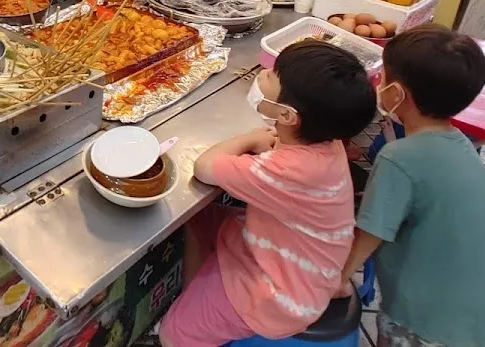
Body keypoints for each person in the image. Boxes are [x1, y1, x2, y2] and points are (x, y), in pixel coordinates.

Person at [159, 42, 376, 347]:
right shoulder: (326, 141)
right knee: (200, 219)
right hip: (293, 254)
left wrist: (248, 139)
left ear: (288, 115)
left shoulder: (290, 169)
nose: (262, 74)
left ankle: (196, 326)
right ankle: (199, 303)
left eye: (273, 75)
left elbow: (204, 167)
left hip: (278, 294)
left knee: (173, 335)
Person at [337, 26, 485, 347]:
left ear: (397, 94)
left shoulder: (399, 156)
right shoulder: (460, 142)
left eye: (383, 78)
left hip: (431, 315)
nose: (378, 84)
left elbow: (370, 234)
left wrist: (336, 280)